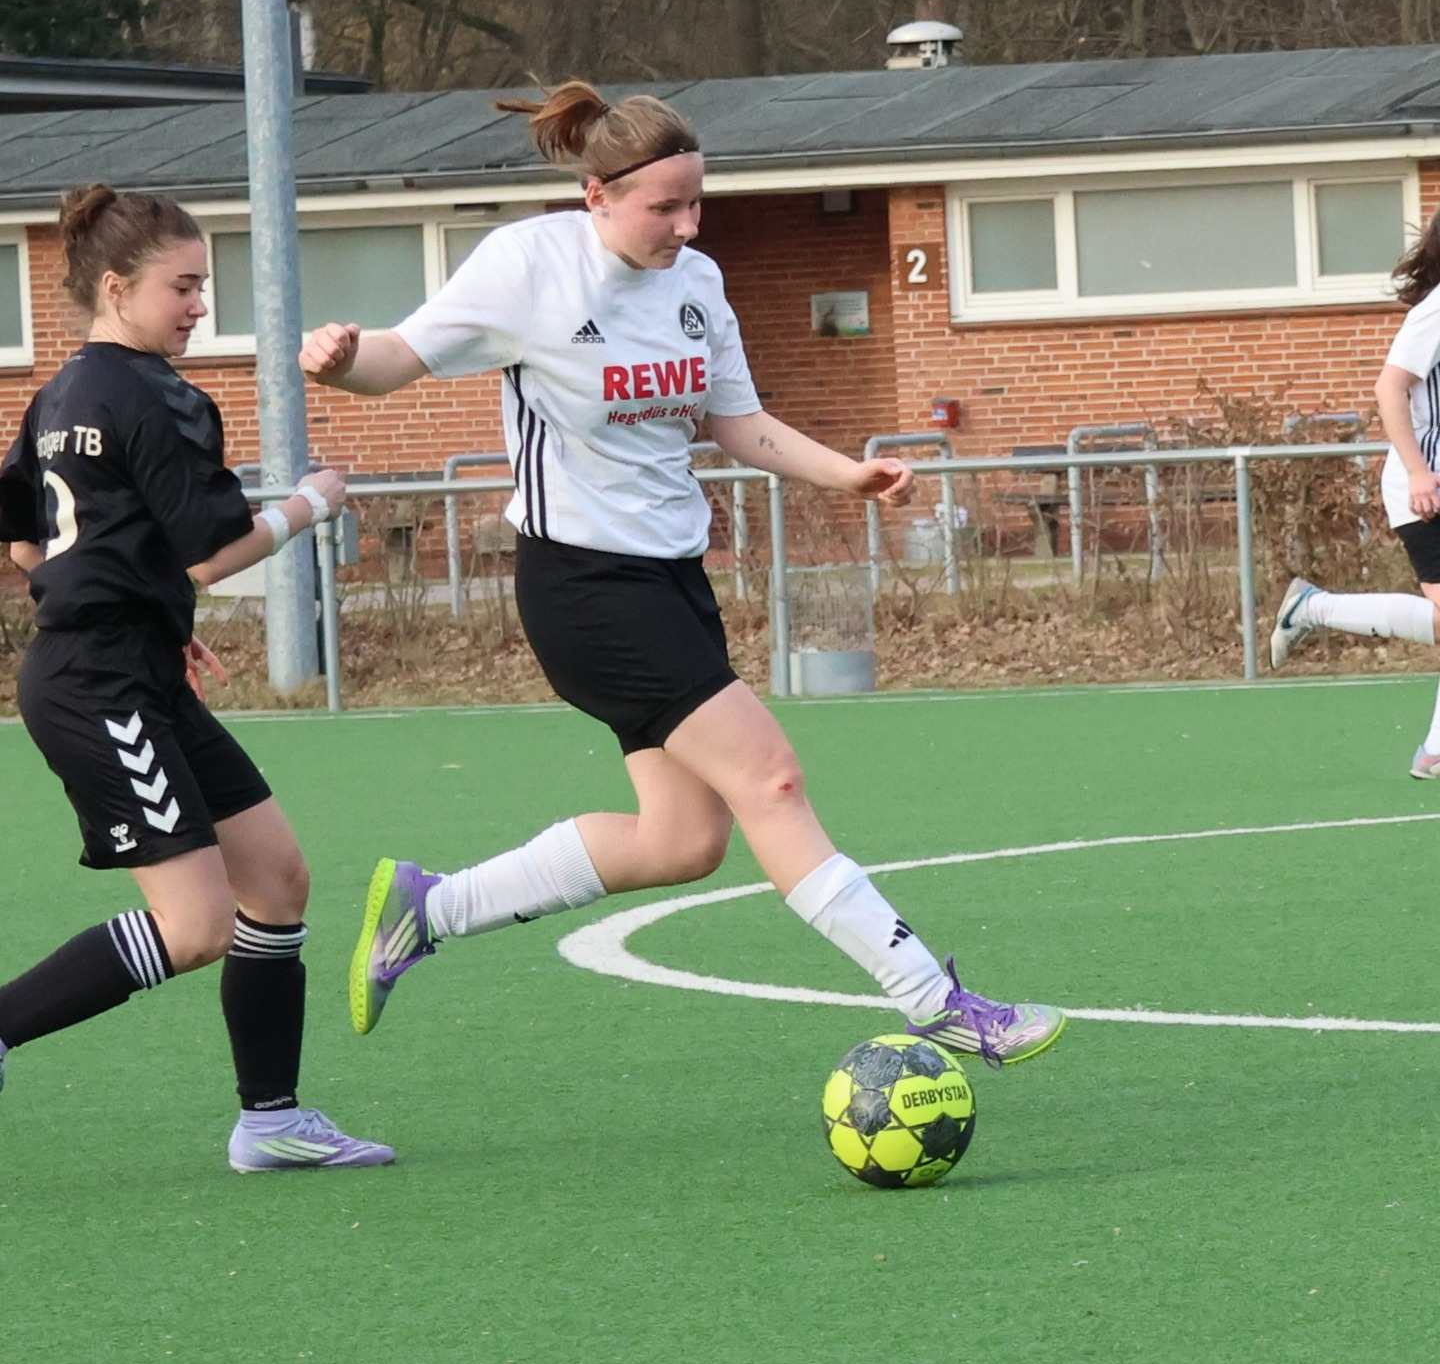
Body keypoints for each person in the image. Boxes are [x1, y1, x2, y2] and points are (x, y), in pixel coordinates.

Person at [300, 80, 1065, 1069]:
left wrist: (850, 471)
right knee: (773, 778)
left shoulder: (696, 283)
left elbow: (738, 422)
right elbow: (397, 358)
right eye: (664, 205)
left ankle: (429, 905)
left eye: (694, 201)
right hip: (581, 585)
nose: (685, 223)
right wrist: (341, 359)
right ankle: (935, 998)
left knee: (680, 839)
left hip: (671, 583)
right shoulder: (528, 266)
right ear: (596, 194)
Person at [0, 185, 393, 1172]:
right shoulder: (158, 394)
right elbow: (215, 550)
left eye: (202, 286)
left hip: (123, 663)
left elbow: (22, 542)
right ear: (117, 286)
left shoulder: (57, 394)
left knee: (278, 879)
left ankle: (271, 1120)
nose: (199, 307)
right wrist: (311, 501)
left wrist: (145, 612)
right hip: (99, 683)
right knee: (197, 922)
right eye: (183, 286)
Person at [1271, 206, 1440, 776]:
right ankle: (1435, 751)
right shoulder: (1438, 307)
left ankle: (1315, 608)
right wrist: (1418, 472)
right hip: (1428, 486)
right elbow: (1389, 388)